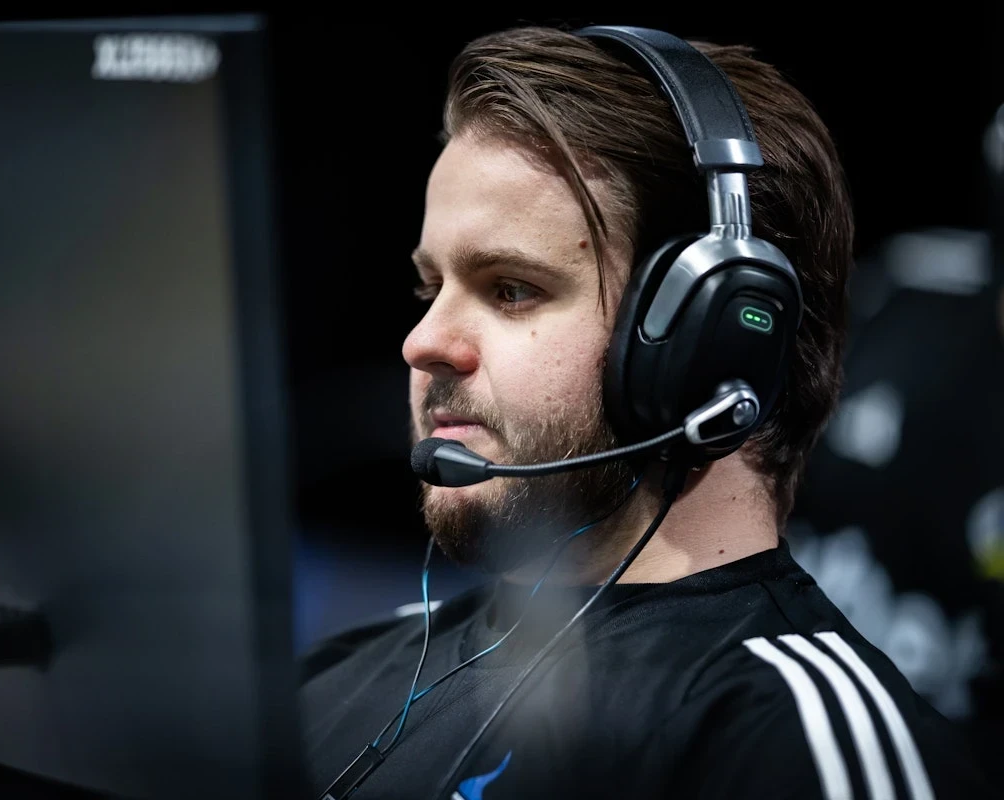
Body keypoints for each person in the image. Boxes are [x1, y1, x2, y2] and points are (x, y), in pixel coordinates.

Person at [299, 24, 993, 799]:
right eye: (431, 289)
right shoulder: (328, 685)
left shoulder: (805, 746)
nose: (422, 342)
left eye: (512, 289)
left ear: (712, 342)